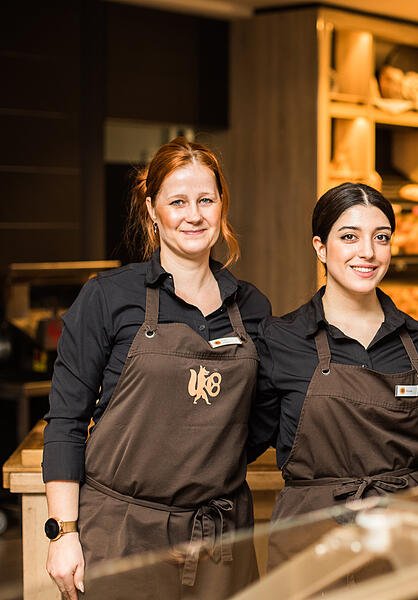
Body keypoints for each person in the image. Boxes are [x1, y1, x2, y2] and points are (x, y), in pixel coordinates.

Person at [42, 138, 271, 599]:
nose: (194, 214)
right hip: (122, 536)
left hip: (220, 540)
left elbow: (260, 419)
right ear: (152, 209)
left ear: (222, 206)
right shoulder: (108, 297)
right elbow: (65, 422)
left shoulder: (252, 308)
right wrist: (64, 532)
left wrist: (201, 466)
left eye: (206, 200)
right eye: (178, 201)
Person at [251, 182, 418, 567]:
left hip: (405, 545)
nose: (368, 252)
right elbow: (247, 441)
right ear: (320, 248)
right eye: (349, 237)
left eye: (381, 237)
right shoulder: (281, 340)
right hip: (311, 547)